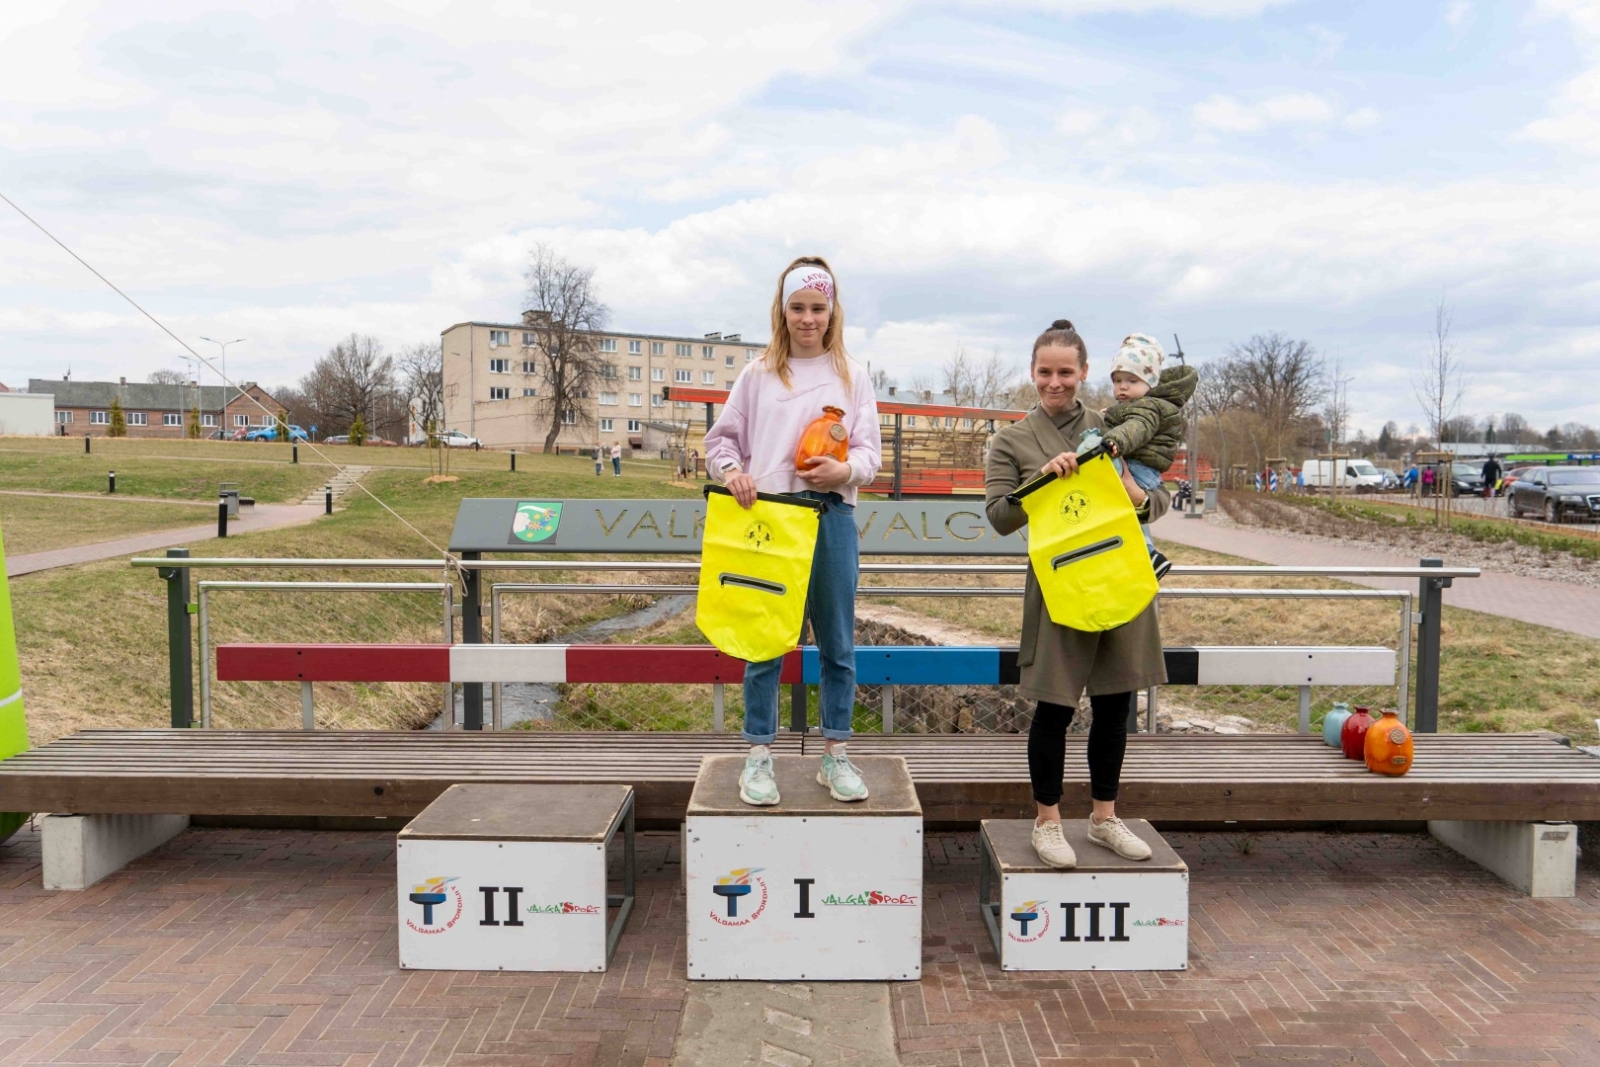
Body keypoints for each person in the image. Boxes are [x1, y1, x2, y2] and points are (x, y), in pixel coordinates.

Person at [985, 319, 1168, 868]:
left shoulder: (1119, 425)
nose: (1055, 382)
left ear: (1084, 373)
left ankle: (1105, 819)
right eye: (1046, 372)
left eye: (1066, 372)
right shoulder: (1010, 441)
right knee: (1054, 710)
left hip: (1120, 579)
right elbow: (998, 517)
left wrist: (1135, 491)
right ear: (1033, 373)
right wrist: (1041, 479)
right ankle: (1047, 823)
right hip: (1058, 587)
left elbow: (1158, 501)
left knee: (1117, 706)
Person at [704, 256, 882, 807]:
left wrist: (844, 470)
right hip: (772, 521)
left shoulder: (852, 376)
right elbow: (721, 442)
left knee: (837, 643)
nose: (808, 319)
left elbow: (870, 453)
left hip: (831, 518)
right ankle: (759, 755)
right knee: (765, 641)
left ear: (832, 313)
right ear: (783, 312)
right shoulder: (758, 374)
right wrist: (732, 472)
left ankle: (835, 754)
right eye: (798, 308)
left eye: (817, 308)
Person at [1095, 333, 1196, 580]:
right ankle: (1146, 554)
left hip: (1138, 470)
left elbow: (1137, 428)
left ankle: (1147, 554)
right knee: (1126, 514)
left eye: (1132, 379)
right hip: (1143, 470)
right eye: (1117, 380)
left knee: (1116, 510)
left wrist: (1114, 439)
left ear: (1150, 384)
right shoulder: (1143, 404)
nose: (1123, 386)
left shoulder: (1148, 407)